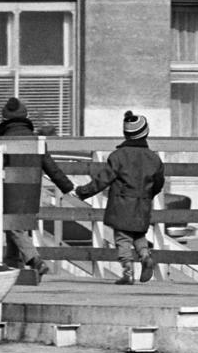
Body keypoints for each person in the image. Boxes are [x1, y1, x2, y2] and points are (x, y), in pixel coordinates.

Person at [69, 111, 167, 286]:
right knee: (138, 234)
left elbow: (103, 179)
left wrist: (83, 191)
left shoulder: (118, 156)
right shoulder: (154, 158)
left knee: (122, 237)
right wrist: (148, 195)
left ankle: (128, 271)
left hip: (121, 204)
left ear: (126, 134)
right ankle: (145, 255)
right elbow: (159, 182)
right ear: (146, 133)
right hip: (142, 203)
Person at [0, 97, 76, 284]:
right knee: (18, 231)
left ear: (4, 119)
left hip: (10, 192)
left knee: (13, 227)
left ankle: (35, 261)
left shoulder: (2, 141)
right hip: (32, 193)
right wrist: (67, 186)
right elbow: (51, 167)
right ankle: (14, 272)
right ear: (26, 116)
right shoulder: (36, 141)